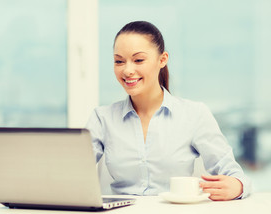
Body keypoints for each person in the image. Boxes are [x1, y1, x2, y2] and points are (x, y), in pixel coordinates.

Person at [86, 21, 251, 201]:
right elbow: (71, 173)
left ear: (162, 60)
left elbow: (233, 173)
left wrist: (237, 185)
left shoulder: (194, 114)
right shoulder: (102, 118)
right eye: (119, 61)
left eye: (138, 60)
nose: (127, 70)